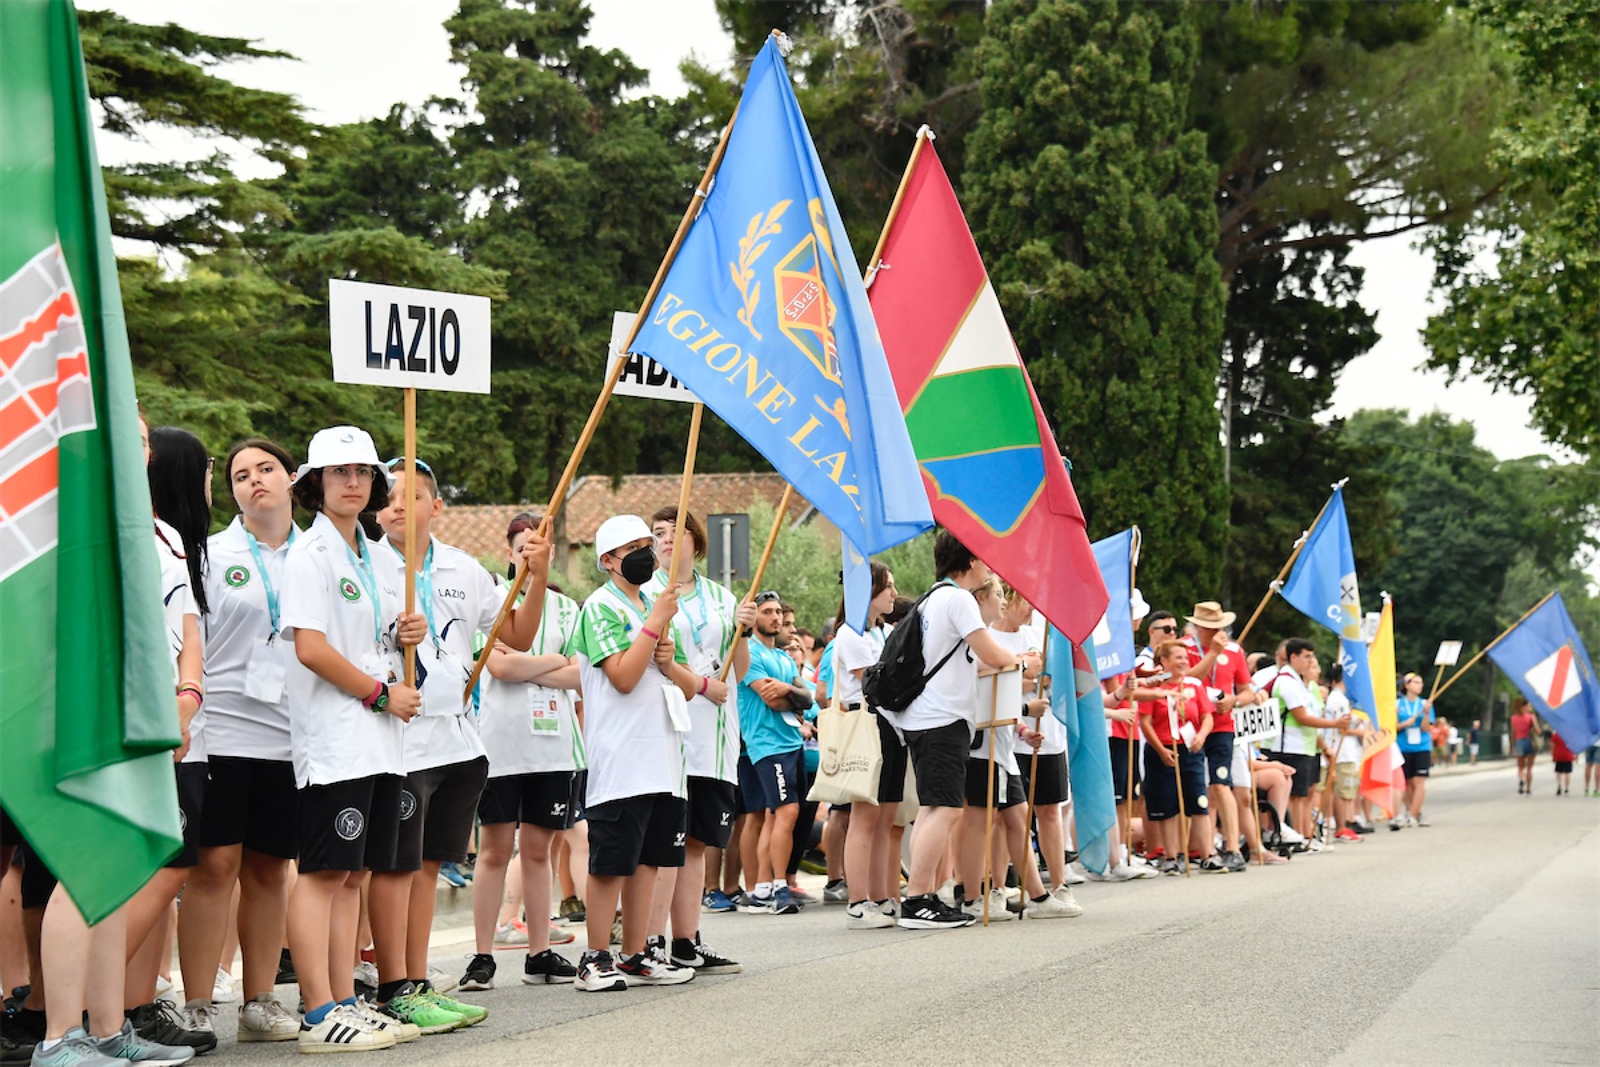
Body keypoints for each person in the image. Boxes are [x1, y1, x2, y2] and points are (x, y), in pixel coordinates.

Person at [374, 460, 546, 1023]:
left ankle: (418, 979)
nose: (399, 505)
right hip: (394, 738)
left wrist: (537, 575)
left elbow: (515, 633)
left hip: (455, 740)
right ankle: (391, 984)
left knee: (427, 866)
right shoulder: (364, 561)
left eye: (413, 496)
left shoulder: (462, 567)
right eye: (390, 496)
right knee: (393, 868)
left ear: (437, 506)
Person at [279, 426, 428, 1052]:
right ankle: (318, 1011)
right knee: (321, 873)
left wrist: (404, 634)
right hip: (338, 737)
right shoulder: (310, 555)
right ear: (315, 484)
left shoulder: (370, 555)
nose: (352, 482)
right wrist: (379, 692)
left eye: (362, 472)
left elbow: (363, 639)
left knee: (351, 875)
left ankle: (344, 998)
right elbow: (311, 648)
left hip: (378, 738)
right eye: (338, 472)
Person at [179, 438, 303, 1045]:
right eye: (240, 475)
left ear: (291, 478)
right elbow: (192, 642)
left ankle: (259, 1001)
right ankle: (198, 1002)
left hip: (290, 735)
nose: (255, 481)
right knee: (214, 865)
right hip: (222, 728)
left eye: (266, 469)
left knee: (270, 868)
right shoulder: (210, 553)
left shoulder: (320, 555)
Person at [568, 515, 699, 991]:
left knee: (648, 860)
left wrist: (669, 659)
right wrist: (654, 626)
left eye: (649, 543)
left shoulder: (654, 605)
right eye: (634, 547)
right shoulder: (600, 607)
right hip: (620, 759)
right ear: (608, 560)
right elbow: (622, 677)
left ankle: (636, 952)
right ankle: (595, 956)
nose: (647, 553)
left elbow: (684, 685)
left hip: (664, 758)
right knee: (612, 861)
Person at [121, 427, 214, 1053]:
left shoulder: (173, 541)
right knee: (151, 869)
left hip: (180, 728)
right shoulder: (112, 531)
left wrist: (185, 702)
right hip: (127, 730)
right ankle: (78, 1003)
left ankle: (130, 1006)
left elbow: (187, 640)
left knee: (167, 867)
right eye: (212, 474)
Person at [464, 514, 581, 991]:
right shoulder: (491, 601)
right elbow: (496, 666)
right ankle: (482, 956)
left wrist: (530, 666)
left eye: (540, 548)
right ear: (510, 553)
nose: (531, 554)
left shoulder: (569, 609)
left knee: (539, 851)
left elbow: (582, 673)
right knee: (493, 851)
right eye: (523, 547)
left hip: (554, 749)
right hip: (500, 747)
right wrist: (553, 663)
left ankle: (540, 953)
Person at [889, 531, 1021, 930]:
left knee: (933, 808)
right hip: (942, 718)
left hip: (926, 717)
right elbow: (990, 653)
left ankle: (922, 895)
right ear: (969, 563)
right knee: (945, 808)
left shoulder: (934, 596)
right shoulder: (959, 598)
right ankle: (918, 900)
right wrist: (1020, 662)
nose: (987, 566)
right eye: (982, 559)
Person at [641, 507, 751, 974]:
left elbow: (739, 672)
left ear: (696, 540)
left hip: (714, 736)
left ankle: (687, 940)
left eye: (674, 532)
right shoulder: (643, 593)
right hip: (663, 732)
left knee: (696, 843)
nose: (666, 540)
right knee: (660, 841)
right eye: (657, 534)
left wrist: (742, 631)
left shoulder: (722, 598)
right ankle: (647, 941)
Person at [989, 586, 1081, 918]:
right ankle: (997, 888)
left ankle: (1059, 885)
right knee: (1004, 818)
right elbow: (997, 681)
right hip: (1009, 742)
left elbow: (1052, 676)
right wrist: (1027, 682)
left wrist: (1032, 679)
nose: (1031, 609)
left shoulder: (1038, 634)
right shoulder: (989, 636)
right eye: (1026, 601)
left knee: (1049, 811)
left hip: (1048, 738)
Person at [831, 563, 910, 929]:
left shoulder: (881, 632)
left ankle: (883, 896)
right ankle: (858, 902)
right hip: (868, 724)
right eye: (888, 586)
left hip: (891, 727)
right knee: (864, 818)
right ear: (870, 589)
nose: (894, 593)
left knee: (885, 817)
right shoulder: (850, 634)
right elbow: (879, 681)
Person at [734, 593, 811, 915]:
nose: (776, 617)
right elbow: (773, 700)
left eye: (778, 611)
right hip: (767, 745)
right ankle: (778, 885)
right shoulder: (749, 653)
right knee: (787, 811)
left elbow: (805, 698)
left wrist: (791, 691)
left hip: (792, 742)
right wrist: (791, 695)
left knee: (775, 815)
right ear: (754, 617)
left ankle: (763, 887)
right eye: (767, 612)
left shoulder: (781, 656)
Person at [1180, 602, 1258, 872]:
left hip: (1223, 726)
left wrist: (1234, 700)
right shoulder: (1184, 647)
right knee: (1197, 787)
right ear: (1198, 626)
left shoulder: (1235, 650)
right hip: (1191, 726)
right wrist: (1212, 654)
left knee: (1221, 783)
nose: (1217, 632)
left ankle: (1233, 848)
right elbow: (1186, 679)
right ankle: (1203, 849)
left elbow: (1248, 690)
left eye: (1220, 627)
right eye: (1211, 628)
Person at [1131, 642, 1220, 874]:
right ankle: (1171, 856)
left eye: (1184, 657)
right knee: (1167, 805)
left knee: (1199, 803)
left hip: (1190, 748)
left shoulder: (1194, 684)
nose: (1183, 661)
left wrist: (1201, 736)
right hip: (1162, 749)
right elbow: (1145, 722)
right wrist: (1161, 749)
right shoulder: (1154, 687)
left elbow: (1207, 716)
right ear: (1164, 662)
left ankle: (1207, 853)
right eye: (1177, 657)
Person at [1261, 640, 1347, 841]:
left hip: (1303, 747)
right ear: (1293, 657)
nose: (1311, 661)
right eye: (1306, 656)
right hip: (1287, 746)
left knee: (1302, 795)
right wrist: (1334, 723)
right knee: (1294, 796)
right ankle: (1290, 833)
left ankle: (1302, 835)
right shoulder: (1288, 681)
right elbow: (1302, 717)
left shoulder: (1299, 682)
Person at [1392, 673, 1435, 827]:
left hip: (1422, 746)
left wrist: (1426, 713)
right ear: (1407, 685)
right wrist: (1404, 724)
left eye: (1421, 682)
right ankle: (1412, 810)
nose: (1420, 685)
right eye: (1416, 682)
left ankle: (1413, 814)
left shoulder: (1425, 704)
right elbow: (1393, 727)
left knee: (1419, 781)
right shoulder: (1397, 704)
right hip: (1403, 746)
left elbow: (1425, 728)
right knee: (1407, 782)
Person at [1510, 698, 1540, 795]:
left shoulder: (1513, 718)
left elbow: (1513, 733)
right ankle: (1528, 789)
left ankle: (1522, 780)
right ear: (1524, 707)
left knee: (1520, 767)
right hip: (1530, 742)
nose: (1530, 707)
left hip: (1520, 742)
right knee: (1529, 768)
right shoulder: (1531, 717)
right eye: (1529, 705)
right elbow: (1538, 731)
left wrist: (1513, 746)